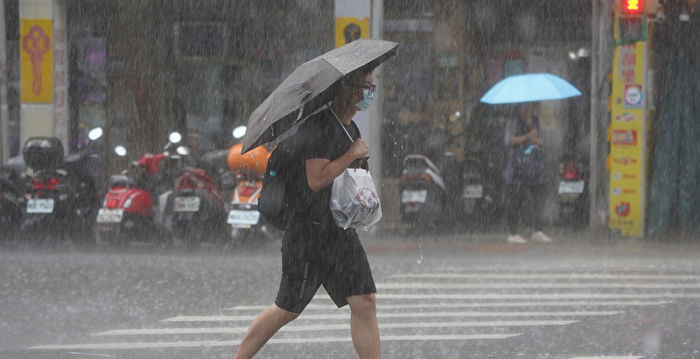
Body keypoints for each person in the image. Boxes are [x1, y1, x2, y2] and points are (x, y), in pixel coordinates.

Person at [233, 69, 381, 359]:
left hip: (338, 230)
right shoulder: (319, 127)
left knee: (364, 301)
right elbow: (316, 180)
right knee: (286, 309)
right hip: (308, 233)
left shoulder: (350, 128)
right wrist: (351, 155)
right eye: (363, 87)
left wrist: (360, 163)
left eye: (371, 86)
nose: (368, 93)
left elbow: (345, 177)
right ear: (344, 89)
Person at [503, 102, 553, 244]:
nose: (530, 108)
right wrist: (527, 136)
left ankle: (538, 230)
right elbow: (509, 141)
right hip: (517, 165)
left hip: (533, 164)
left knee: (538, 198)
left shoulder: (536, 120)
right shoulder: (514, 121)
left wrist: (537, 140)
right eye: (527, 105)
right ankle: (513, 232)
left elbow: (539, 140)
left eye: (532, 105)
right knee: (515, 199)